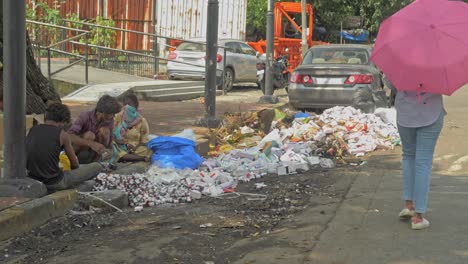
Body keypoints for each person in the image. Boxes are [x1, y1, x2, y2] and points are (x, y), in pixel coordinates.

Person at [394, 85, 445, 230]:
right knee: (423, 162)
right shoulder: (438, 63)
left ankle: (408, 205)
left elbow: (392, 83)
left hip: (405, 113)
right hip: (431, 112)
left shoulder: (400, 62)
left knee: (408, 156)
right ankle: (418, 216)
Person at [26, 103, 103, 191]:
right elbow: (75, 165)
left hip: (33, 179)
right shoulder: (63, 135)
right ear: (62, 122)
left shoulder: (32, 130)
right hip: (54, 182)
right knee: (97, 166)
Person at [68, 95, 122, 164]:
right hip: (79, 151)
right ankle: (72, 161)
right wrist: (91, 144)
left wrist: (110, 151)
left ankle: (96, 162)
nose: (113, 116)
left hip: (94, 153)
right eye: (112, 114)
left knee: (105, 131)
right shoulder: (85, 116)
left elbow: (110, 141)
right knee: (90, 135)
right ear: (103, 112)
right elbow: (69, 136)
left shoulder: (110, 120)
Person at [110, 93, 151, 164]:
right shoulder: (118, 117)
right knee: (111, 146)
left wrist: (134, 146)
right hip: (119, 145)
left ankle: (125, 157)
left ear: (135, 105)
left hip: (135, 148)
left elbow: (144, 140)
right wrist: (117, 141)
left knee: (147, 150)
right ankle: (139, 158)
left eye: (130, 104)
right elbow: (111, 133)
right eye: (125, 104)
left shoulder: (142, 121)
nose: (127, 106)